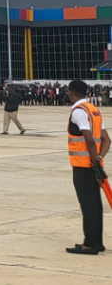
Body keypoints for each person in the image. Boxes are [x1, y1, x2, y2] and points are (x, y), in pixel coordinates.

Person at [65, 80, 112, 254]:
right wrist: (99, 159)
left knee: (87, 205)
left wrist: (94, 162)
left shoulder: (78, 112)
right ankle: (97, 242)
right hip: (94, 165)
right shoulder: (94, 110)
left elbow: (89, 139)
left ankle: (89, 244)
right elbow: (106, 140)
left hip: (84, 166)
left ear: (71, 93)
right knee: (96, 204)